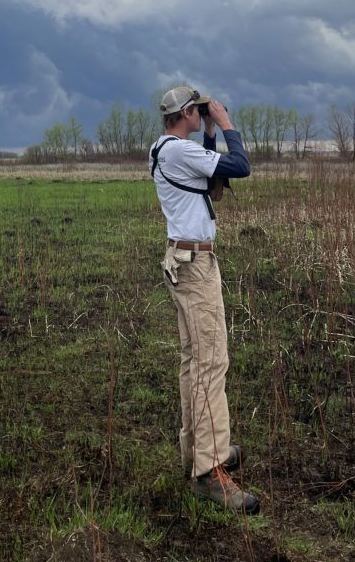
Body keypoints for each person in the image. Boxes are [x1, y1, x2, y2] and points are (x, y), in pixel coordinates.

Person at [149, 85, 260, 514]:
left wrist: (210, 132)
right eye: (197, 110)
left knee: (194, 360)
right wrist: (227, 125)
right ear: (183, 113)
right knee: (211, 362)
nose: (202, 114)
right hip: (195, 266)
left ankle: (197, 450)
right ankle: (210, 470)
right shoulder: (178, 150)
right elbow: (240, 166)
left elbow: (214, 187)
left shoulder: (169, 149)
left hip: (187, 259)